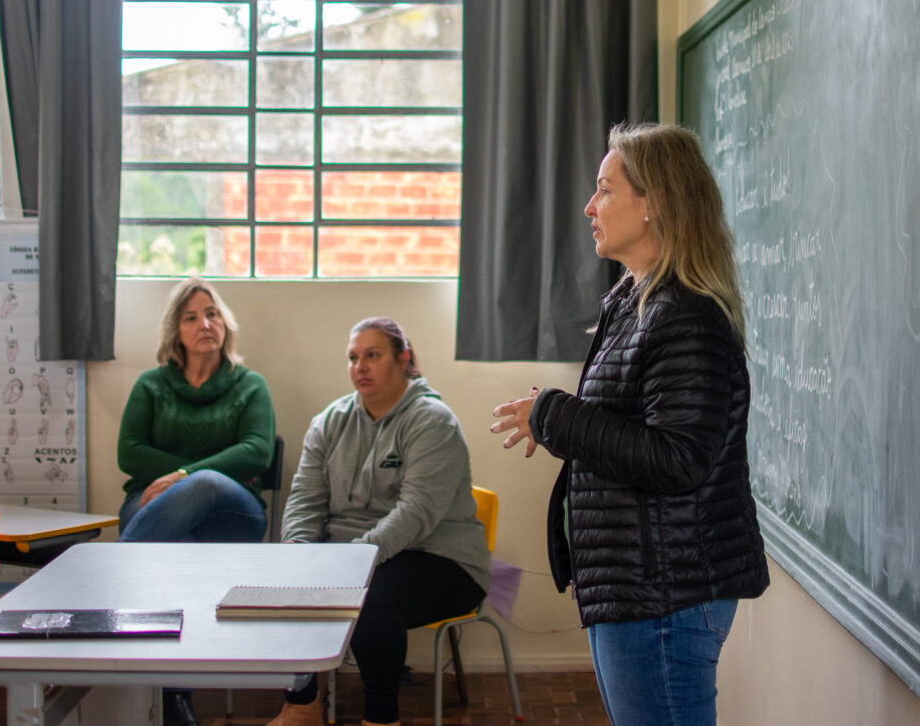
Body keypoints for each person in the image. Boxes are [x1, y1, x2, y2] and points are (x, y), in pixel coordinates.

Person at [490, 122, 770, 726]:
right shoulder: (636, 300)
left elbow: (678, 459)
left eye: (605, 190)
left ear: (655, 203)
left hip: (665, 593)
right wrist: (558, 418)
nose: (590, 207)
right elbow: (630, 429)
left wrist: (556, 415)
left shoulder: (685, 316)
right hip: (638, 587)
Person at [269, 318, 490, 726]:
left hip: (441, 558)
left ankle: (381, 718)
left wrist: (354, 561)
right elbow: (305, 497)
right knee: (285, 577)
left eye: (373, 355)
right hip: (353, 558)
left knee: (372, 595)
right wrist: (297, 549)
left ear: (403, 359)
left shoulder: (432, 421)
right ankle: (302, 706)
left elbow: (417, 511)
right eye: (353, 358)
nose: (360, 367)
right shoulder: (328, 422)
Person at [116, 277, 276, 726]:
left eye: (212, 313)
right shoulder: (151, 385)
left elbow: (257, 451)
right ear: (175, 331)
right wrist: (180, 482)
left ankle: (107, 582)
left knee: (204, 483)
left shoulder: (250, 385)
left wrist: (184, 475)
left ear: (225, 325)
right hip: (153, 508)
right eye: (191, 317)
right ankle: (173, 697)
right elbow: (129, 452)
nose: (205, 323)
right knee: (175, 552)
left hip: (233, 511)